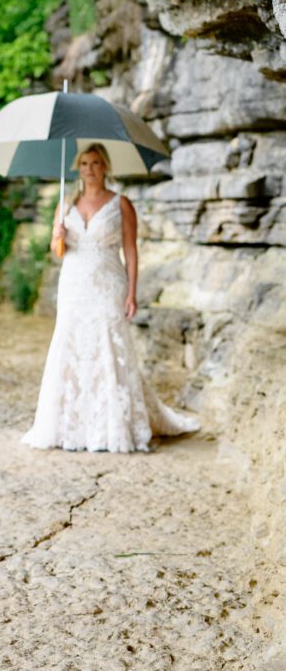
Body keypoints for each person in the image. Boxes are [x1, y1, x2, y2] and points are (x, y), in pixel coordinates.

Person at [21, 142, 199, 453]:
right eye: (85, 164)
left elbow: (130, 250)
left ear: (105, 167)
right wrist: (57, 237)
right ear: (78, 168)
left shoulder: (121, 204)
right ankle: (70, 425)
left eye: (96, 163)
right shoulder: (64, 205)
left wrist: (132, 292)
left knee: (108, 346)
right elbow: (58, 253)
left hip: (108, 283)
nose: (90, 169)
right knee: (71, 345)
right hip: (74, 283)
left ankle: (113, 425)